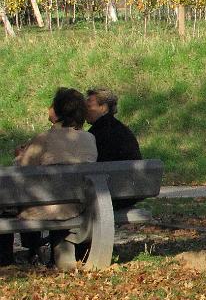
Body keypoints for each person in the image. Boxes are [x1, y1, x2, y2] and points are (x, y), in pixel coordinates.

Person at [1, 88, 97, 266]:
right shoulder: (89, 139)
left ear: (58, 111)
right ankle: (58, 256)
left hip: (41, 208)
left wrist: (20, 155)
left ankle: (5, 260)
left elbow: (20, 172)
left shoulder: (43, 139)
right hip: (74, 206)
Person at [85, 88, 142, 162]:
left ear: (103, 108)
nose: (85, 110)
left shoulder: (95, 134)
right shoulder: (124, 131)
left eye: (88, 106)